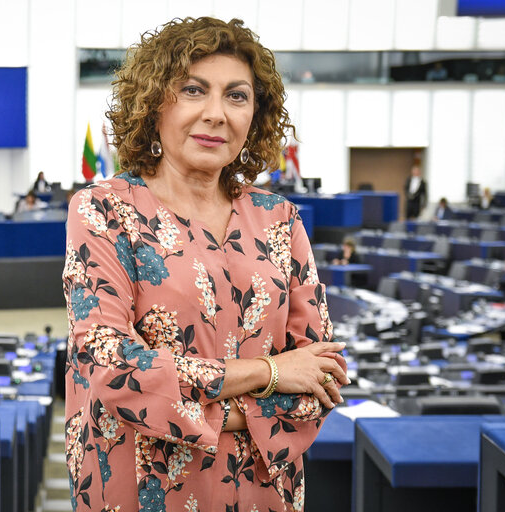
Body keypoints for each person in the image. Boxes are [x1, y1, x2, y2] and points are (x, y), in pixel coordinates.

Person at [62, 17, 347, 511]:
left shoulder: (280, 218)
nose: (216, 114)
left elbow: (322, 373)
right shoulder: (103, 210)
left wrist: (190, 396)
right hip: (139, 486)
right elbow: (111, 366)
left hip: (264, 491)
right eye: (194, 91)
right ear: (154, 105)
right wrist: (270, 372)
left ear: (255, 115)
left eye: (236, 96)